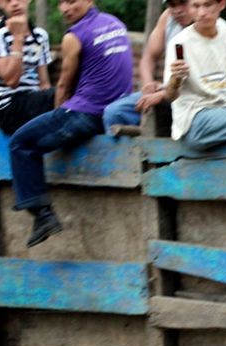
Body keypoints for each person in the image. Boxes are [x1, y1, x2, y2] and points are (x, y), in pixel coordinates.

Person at [8, 0, 133, 247]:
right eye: (61, 2)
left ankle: (42, 215)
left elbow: (64, 84)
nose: (65, 8)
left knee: (19, 143)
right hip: (113, 113)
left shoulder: (74, 35)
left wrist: (57, 116)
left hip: (85, 114)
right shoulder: (116, 24)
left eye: (72, 1)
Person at [162, 0, 226, 150]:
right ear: (189, 8)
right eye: (196, 6)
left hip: (224, 115)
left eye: (208, 5)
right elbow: (170, 96)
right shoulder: (179, 42)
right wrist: (176, 78)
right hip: (195, 120)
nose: (202, 13)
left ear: (222, 4)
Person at [102, 0, 194, 133]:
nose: (178, 10)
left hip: (192, 98)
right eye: (173, 5)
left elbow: (202, 84)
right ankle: (126, 153)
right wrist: (149, 84)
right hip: (168, 91)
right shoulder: (168, 18)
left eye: (182, 3)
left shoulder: (208, 27)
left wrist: (163, 94)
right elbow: (148, 58)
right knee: (114, 112)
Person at [0, 0, 53, 134]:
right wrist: (18, 37)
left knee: (68, 93)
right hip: (8, 106)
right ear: (0, 3)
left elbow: (44, 83)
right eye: (8, 0)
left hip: (33, 101)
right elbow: (11, 81)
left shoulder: (40, 35)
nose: (14, 3)